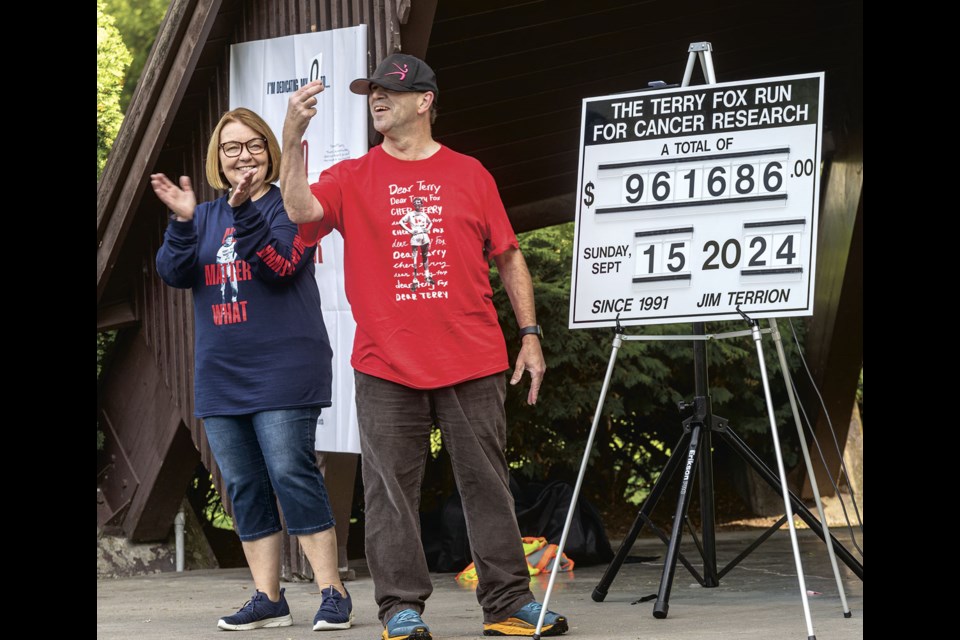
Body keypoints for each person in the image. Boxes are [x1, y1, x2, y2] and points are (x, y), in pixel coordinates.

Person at [280, 54, 568, 639]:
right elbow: (299, 210)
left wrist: (530, 335)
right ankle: (400, 608)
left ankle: (509, 602)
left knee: (487, 485)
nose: (376, 99)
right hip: (385, 364)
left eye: (389, 90)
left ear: (425, 100)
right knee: (389, 495)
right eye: (371, 92)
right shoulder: (352, 176)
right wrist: (291, 137)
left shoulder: (470, 173)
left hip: (474, 357)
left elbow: (509, 256)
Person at [152, 108, 353, 632]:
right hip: (222, 372)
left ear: (271, 151)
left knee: (291, 472)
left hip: (285, 367)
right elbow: (174, 273)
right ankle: (268, 598)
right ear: (219, 159)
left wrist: (243, 213)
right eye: (231, 147)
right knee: (243, 484)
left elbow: (282, 266)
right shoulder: (203, 215)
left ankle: (332, 591)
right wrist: (181, 222)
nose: (243, 156)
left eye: (254, 145)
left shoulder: (293, 207)